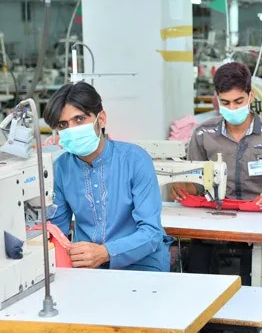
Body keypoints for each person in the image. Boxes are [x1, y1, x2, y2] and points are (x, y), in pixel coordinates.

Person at [169, 62, 262, 286]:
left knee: (251, 282)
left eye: (239, 101)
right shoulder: (203, 134)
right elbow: (196, 182)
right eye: (226, 102)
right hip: (211, 217)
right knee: (197, 277)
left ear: (250, 96)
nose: (233, 108)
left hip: (257, 218)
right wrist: (183, 186)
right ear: (217, 99)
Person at [43, 82, 172, 271]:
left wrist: (105, 252)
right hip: (87, 265)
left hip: (142, 262)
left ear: (101, 119)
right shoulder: (61, 168)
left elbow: (151, 233)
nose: (71, 129)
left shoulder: (135, 160)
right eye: (63, 125)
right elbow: (56, 233)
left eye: (79, 119)